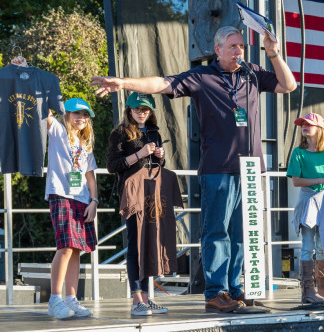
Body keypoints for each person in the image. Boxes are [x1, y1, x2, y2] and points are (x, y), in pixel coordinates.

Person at [92, 26, 297, 313]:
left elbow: (289, 86)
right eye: (233, 46)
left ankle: (237, 290)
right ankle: (216, 292)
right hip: (218, 168)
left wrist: (273, 53)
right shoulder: (202, 77)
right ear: (218, 50)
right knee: (217, 232)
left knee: (243, 233)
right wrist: (124, 83)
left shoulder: (251, 73)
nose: (239, 51)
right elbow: (162, 83)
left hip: (250, 169)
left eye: (241, 46)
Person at [106, 92, 167, 316]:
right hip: (132, 193)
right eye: (138, 109)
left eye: (145, 109)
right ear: (129, 110)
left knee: (149, 246)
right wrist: (139, 154)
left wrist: (160, 155)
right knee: (135, 245)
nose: (141, 113)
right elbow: (112, 165)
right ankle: (136, 300)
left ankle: (146, 298)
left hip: (152, 192)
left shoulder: (154, 132)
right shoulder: (119, 133)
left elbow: (160, 164)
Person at [45, 98, 98, 319]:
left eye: (85, 115)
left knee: (77, 249)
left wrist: (94, 201)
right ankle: (55, 299)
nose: (81, 118)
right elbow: (44, 111)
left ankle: (71, 298)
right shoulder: (57, 131)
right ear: (66, 115)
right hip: (61, 195)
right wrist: (24, 68)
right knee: (65, 247)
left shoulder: (85, 143)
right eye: (76, 114)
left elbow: (90, 176)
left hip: (82, 199)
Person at [286, 113, 324, 304]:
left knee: (323, 246)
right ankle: (307, 291)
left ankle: (322, 289)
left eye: (309, 124)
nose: (304, 126)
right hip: (308, 200)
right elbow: (296, 181)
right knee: (307, 247)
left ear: (320, 128)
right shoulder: (298, 153)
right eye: (303, 124)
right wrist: (322, 179)